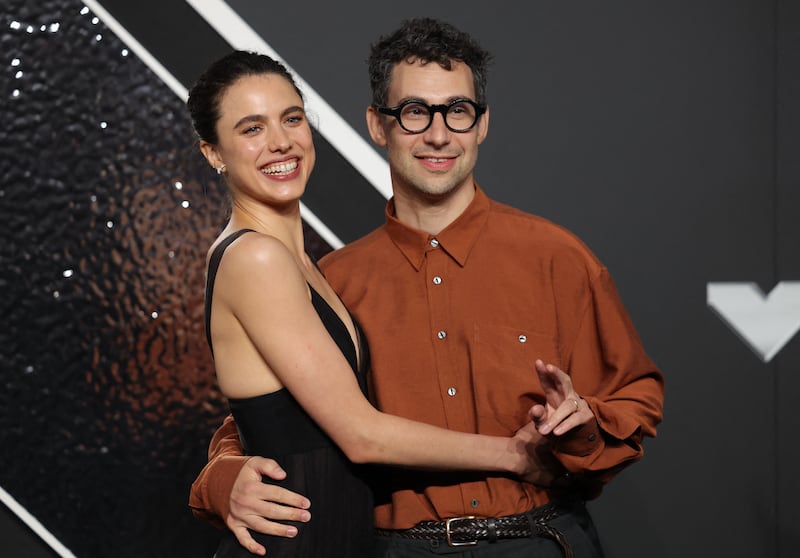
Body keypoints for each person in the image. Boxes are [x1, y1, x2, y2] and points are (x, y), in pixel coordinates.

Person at [190, 20, 664, 558]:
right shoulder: (334, 279)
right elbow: (277, 421)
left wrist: (585, 425)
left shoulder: (559, 258)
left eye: (457, 111)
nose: (438, 135)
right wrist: (222, 478)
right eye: (415, 112)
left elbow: (634, 398)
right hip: (390, 549)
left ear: (481, 124)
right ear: (377, 124)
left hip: (536, 539)